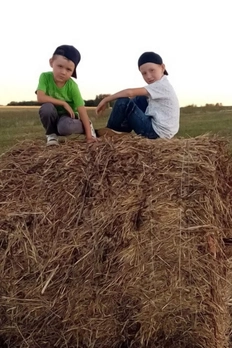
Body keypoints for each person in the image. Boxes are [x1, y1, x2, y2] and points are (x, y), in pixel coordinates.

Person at [96, 52, 180, 140]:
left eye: (152, 70)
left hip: (155, 133)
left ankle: (109, 132)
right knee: (140, 98)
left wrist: (106, 99)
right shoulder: (162, 83)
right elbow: (133, 97)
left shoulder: (161, 86)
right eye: (144, 73)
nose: (148, 76)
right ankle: (121, 130)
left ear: (162, 67)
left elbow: (130, 93)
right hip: (160, 131)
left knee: (123, 102)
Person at [36, 45, 97, 146]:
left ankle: (87, 126)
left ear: (73, 71)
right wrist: (63, 103)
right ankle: (51, 135)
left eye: (68, 69)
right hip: (53, 115)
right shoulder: (45, 77)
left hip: (68, 117)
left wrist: (89, 137)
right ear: (51, 62)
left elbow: (82, 111)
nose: (63, 72)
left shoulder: (72, 86)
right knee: (46, 108)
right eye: (60, 66)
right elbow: (40, 97)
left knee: (64, 127)